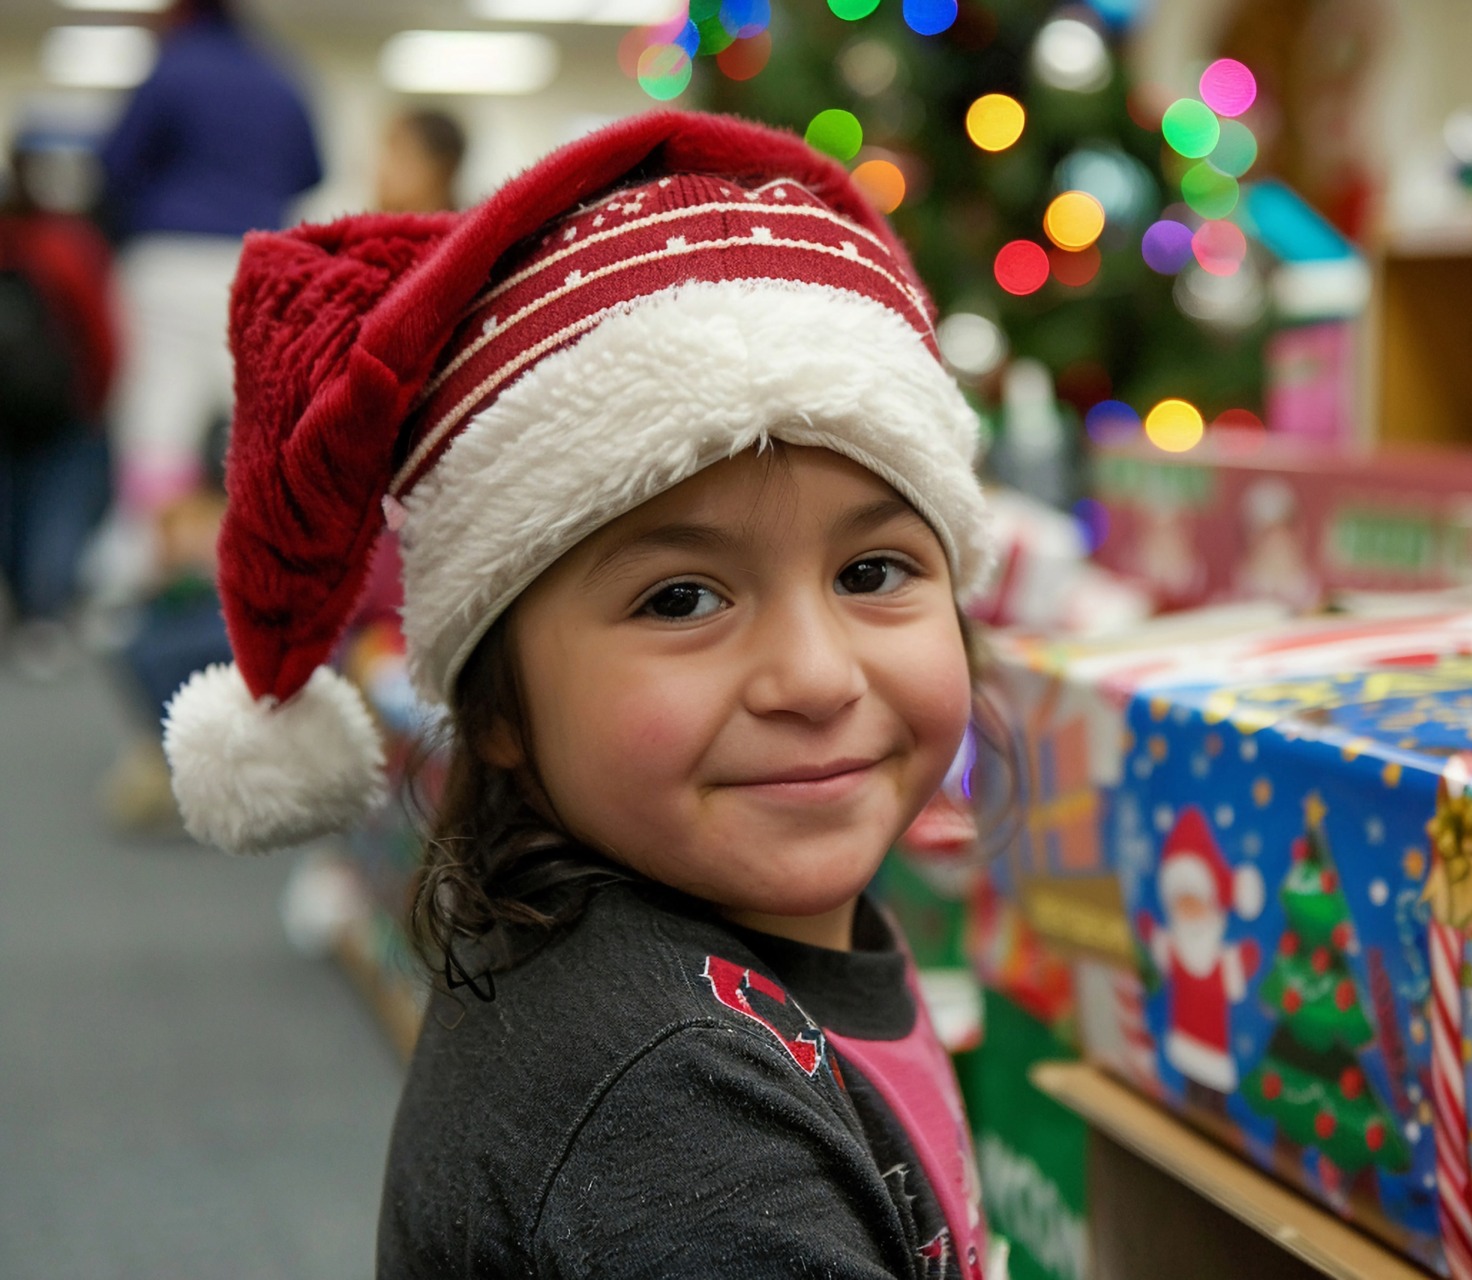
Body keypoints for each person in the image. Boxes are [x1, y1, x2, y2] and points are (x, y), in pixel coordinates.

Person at [160, 112, 1003, 1277]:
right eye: (681, 600)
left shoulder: (741, 933)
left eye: (873, 572)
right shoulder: (676, 1108)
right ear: (496, 703)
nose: (816, 675)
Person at [95, 0, 321, 596]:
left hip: (167, 264)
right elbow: (309, 171)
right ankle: (274, 584)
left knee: (159, 425)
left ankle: (137, 585)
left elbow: (112, 168)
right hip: (253, 265)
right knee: (258, 431)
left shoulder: (171, 68)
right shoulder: (281, 73)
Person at [0, 140, 117, 675]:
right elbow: (100, 335)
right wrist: (94, 403)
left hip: (11, 416)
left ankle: (26, 612)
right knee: (58, 515)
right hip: (64, 411)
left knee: (16, 515)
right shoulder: (67, 246)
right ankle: (45, 618)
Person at [374, 108, 466, 215]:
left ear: (441, 169)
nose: (384, 170)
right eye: (387, 154)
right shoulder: (378, 224)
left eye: (401, 155)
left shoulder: (464, 228)